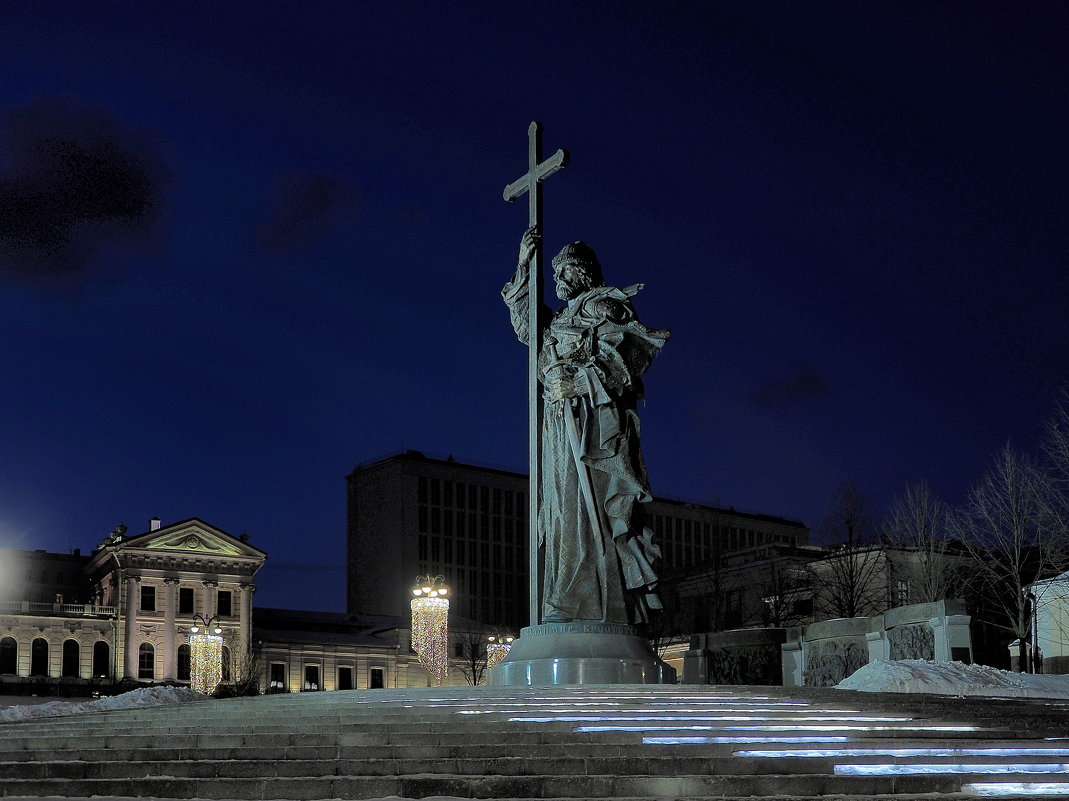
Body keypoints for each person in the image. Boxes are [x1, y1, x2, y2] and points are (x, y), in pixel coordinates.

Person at [502, 226, 669, 625]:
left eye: (564, 273)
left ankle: (593, 598)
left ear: (584, 273)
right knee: (561, 506)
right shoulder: (560, 319)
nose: (557, 281)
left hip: (594, 424)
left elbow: (631, 353)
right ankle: (566, 593)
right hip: (560, 425)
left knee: (586, 504)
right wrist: (524, 265)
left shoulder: (601, 306)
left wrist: (581, 381)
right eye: (555, 274)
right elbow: (527, 328)